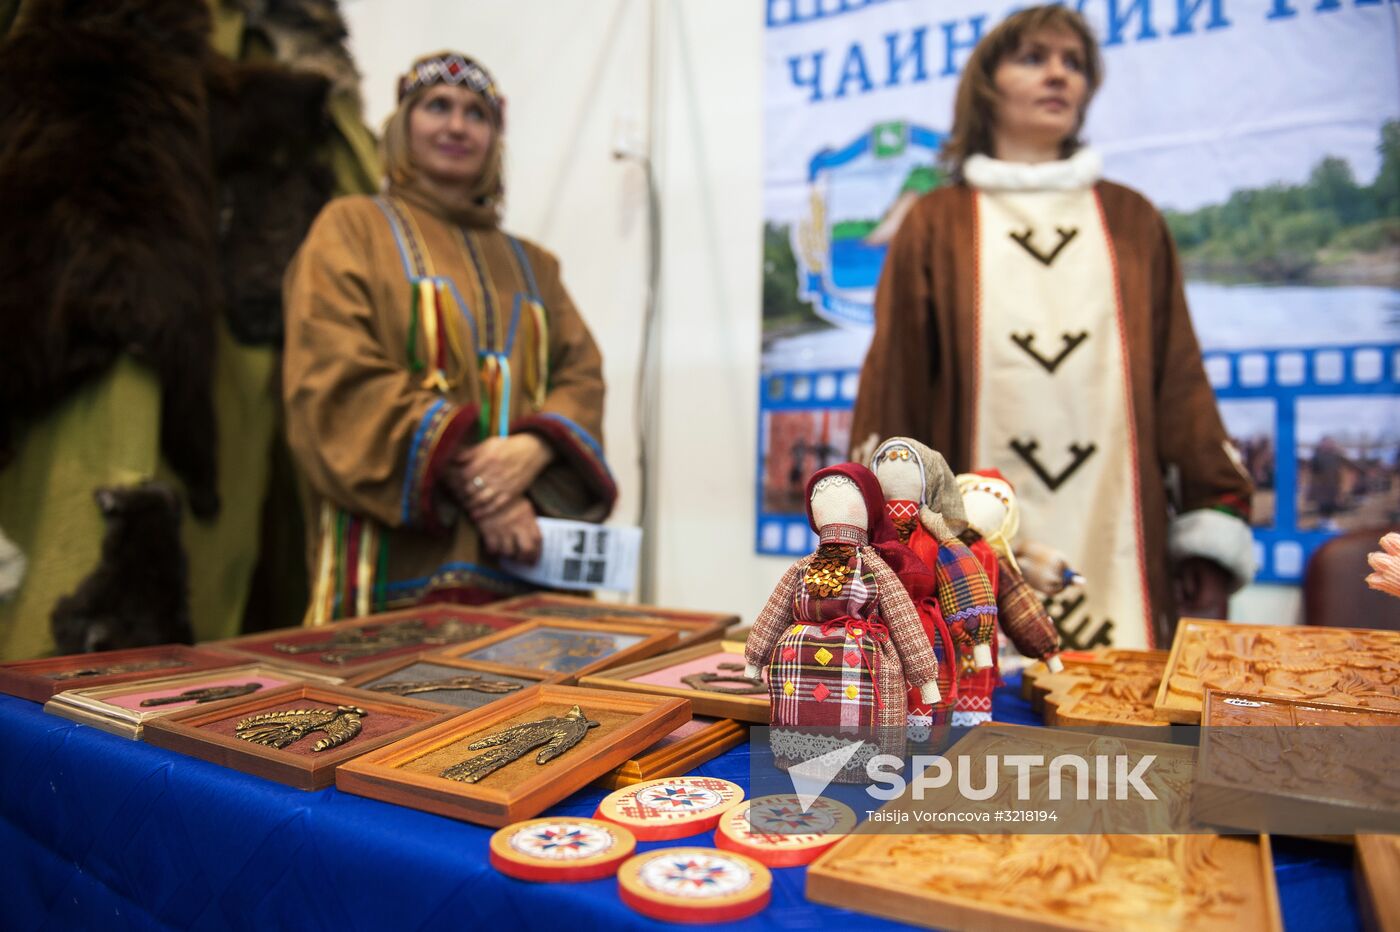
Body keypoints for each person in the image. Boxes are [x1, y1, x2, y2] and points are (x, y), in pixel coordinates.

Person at [849, 7, 1253, 650]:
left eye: (1074, 63)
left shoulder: (1131, 218)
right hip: (968, 555)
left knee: (1124, 728)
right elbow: (896, 385)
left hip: (1121, 536)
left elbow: (1179, 378)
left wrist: (1213, 526)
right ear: (989, 83)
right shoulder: (937, 222)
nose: (1059, 75)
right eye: (1034, 58)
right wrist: (887, 528)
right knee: (979, 731)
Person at [282, 51, 615, 623]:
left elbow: (581, 376)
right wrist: (483, 481)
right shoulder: (349, 228)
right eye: (438, 106)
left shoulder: (537, 265)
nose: (457, 126)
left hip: (525, 567)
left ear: (495, 138)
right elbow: (332, 374)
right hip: (394, 569)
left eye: (476, 114)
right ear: (403, 125)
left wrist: (531, 450)